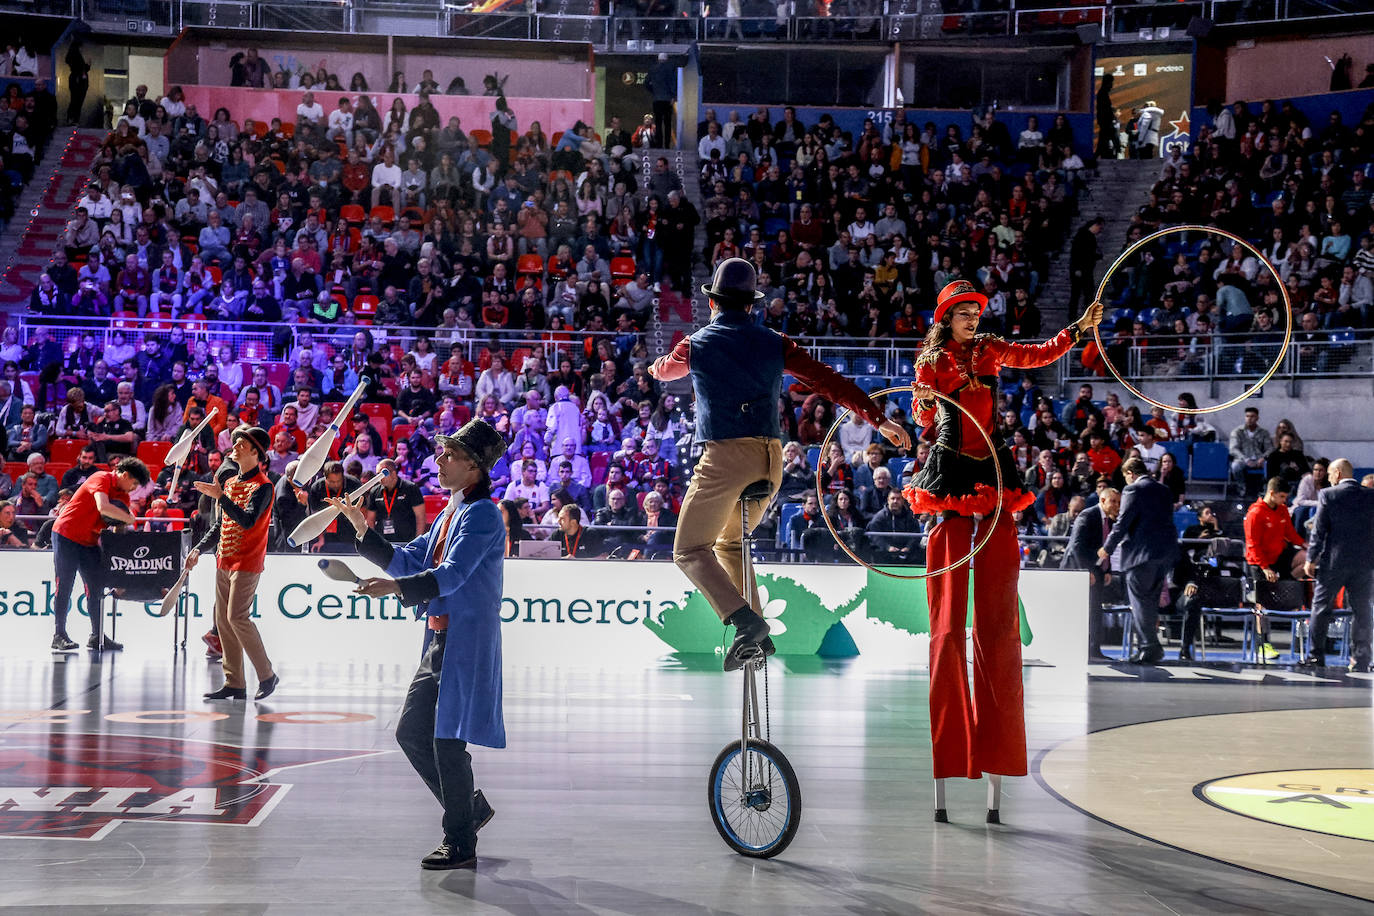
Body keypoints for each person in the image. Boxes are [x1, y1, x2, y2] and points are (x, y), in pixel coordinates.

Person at [649, 259, 910, 670]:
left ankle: (745, 622)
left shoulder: (697, 343)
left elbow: (665, 372)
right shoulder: (775, 341)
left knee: (689, 550)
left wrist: (654, 365)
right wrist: (878, 419)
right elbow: (830, 382)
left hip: (725, 458)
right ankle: (754, 630)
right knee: (729, 543)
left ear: (714, 303)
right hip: (771, 460)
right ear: (751, 305)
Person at [905, 279, 1102, 818]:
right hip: (949, 475)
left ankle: (996, 764)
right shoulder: (931, 360)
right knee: (947, 628)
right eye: (963, 312)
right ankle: (951, 764)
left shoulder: (990, 348)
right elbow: (924, 422)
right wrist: (924, 401)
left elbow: (1036, 354)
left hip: (992, 474)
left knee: (995, 623)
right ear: (946, 318)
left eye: (975, 311)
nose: (972, 318)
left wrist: (1076, 331)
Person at [331, 419, 505, 870]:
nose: (439, 459)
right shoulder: (453, 510)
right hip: (441, 638)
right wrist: (361, 528)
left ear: (474, 467)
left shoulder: (483, 513)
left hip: (461, 642)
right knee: (413, 732)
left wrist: (393, 589)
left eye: (449, 454)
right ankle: (468, 809)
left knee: (446, 741)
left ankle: (460, 838)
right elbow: (410, 558)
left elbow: (452, 575)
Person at [186, 427, 279, 702]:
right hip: (224, 559)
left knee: (237, 617)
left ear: (255, 452)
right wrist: (200, 547)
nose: (233, 448)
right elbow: (221, 523)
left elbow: (248, 520)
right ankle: (234, 682)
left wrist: (221, 497)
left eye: (240, 445)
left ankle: (267, 675)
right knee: (224, 622)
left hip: (247, 560)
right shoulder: (228, 484)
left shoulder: (264, 486)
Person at [49, 456, 150, 652]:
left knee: (96, 588)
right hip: (66, 535)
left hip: (89, 541)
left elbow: (118, 530)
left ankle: (97, 635)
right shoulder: (101, 477)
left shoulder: (124, 497)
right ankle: (58, 635)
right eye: (134, 483)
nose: (133, 488)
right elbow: (103, 506)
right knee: (64, 586)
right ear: (125, 475)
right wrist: (130, 518)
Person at [1099, 457, 1179, 665]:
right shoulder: (1164, 490)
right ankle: (1150, 647)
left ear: (1130, 474)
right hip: (1164, 555)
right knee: (1151, 602)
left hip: (1140, 556)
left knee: (1140, 603)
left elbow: (1123, 523)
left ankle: (1150, 647)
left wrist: (1107, 548)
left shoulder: (1133, 490)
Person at [1302, 459, 1374, 671]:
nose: (1329, 479)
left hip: (1334, 562)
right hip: (1364, 563)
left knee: (1321, 608)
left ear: (1339, 473)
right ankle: (1361, 659)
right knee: (1362, 610)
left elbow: (1319, 530)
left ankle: (1316, 656)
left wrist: (1311, 558)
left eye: (1331, 474)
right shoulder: (1370, 496)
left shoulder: (1329, 495)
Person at [1062, 486, 1120, 663]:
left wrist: (1107, 569)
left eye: (1118, 502)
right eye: (1114, 501)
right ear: (1102, 500)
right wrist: (1084, 572)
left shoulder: (1109, 521)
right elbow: (1076, 547)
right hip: (1079, 570)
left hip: (1097, 571)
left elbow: (1104, 548)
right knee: (1080, 612)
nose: (1117, 505)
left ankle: (1094, 650)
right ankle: (1078, 650)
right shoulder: (1088, 515)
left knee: (1095, 610)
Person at [365, 458, 427, 543]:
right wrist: (373, 541)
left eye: (382, 474)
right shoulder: (375, 491)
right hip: (383, 542)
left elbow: (420, 517)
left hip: (407, 541)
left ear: (393, 474)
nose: (380, 478)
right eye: (378, 474)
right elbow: (370, 520)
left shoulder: (411, 488)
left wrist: (417, 542)